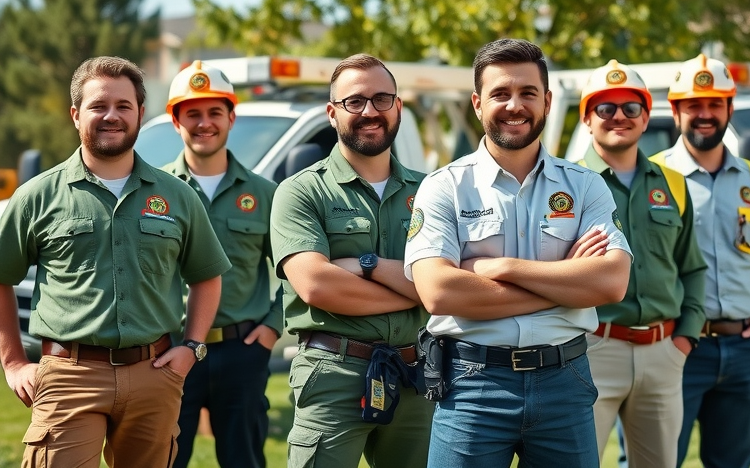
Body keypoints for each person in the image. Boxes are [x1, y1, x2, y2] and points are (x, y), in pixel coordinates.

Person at [405, 38, 632, 468]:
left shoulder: (585, 186)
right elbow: (437, 293)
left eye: (528, 93)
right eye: (500, 94)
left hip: (563, 380)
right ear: (477, 103)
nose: (515, 105)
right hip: (472, 384)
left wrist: (500, 268)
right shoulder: (443, 187)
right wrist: (567, 280)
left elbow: (611, 281)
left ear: (546, 101)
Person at [0, 56, 228, 468]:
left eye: (124, 106)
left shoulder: (178, 196)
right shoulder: (37, 195)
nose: (112, 116)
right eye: (98, 106)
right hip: (69, 376)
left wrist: (191, 348)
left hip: (154, 374)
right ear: (75, 115)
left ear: (141, 113)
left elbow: (207, 276)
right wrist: (14, 362)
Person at [270, 53, 433, 468]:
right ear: (331, 113)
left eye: (382, 99)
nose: (369, 112)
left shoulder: (433, 192)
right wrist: (422, 293)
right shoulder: (300, 192)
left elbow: (452, 283)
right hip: (333, 373)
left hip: (417, 376)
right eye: (354, 102)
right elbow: (317, 286)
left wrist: (366, 263)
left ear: (398, 107)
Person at [651, 54, 750, 468]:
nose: (704, 114)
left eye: (715, 104)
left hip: (746, 349)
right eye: (693, 105)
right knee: (657, 460)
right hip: (675, 348)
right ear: (676, 110)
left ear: (729, 109)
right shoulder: (653, 178)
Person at [575, 59, 705, 468]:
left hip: (663, 352)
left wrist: (684, 339)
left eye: (631, 108)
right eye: (605, 108)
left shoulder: (674, 184)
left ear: (646, 118)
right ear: (586, 118)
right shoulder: (566, 183)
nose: (619, 117)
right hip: (592, 349)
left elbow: (692, 268)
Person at [163, 61, 282, 468]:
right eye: (192, 113)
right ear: (175, 119)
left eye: (215, 112)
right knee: (164, 458)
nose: (204, 123)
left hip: (242, 353)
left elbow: (296, 272)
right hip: (170, 352)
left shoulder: (267, 195)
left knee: (244, 459)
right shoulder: (155, 194)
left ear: (232, 117)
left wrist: (272, 327)